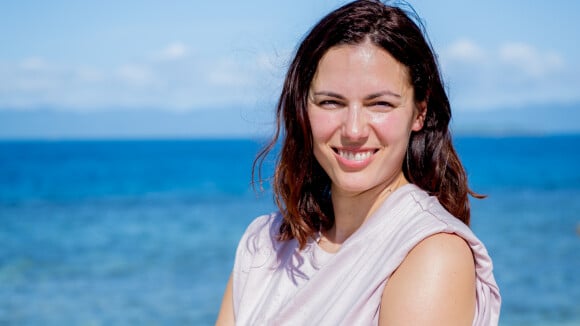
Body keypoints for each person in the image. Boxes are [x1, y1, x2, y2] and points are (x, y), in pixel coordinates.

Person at [217, 0, 501, 325]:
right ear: (303, 109)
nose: (353, 130)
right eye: (331, 102)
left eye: (379, 104)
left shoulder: (431, 253)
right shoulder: (263, 244)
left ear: (419, 112)